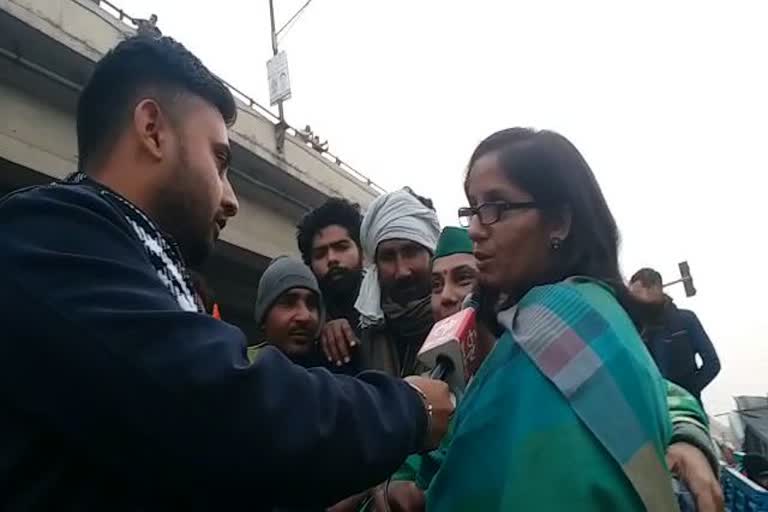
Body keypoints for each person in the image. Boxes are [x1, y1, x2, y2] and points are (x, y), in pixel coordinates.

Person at [0, 35, 455, 510]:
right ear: (152, 129)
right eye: (219, 161)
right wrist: (408, 408)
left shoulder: (102, 251)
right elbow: (219, 409)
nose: (231, 199)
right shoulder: (50, 237)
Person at [423, 128, 679, 511]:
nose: (475, 229)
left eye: (496, 207)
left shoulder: (552, 329)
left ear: (558, 221)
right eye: (473, 208)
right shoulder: (594, 317)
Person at [381, 226, 724, 512]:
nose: (447, 297)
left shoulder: (545, 348)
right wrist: (392, 488)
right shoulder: (428, 384)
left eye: (463, 278)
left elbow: (659, 394)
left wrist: (686, 442)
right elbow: (402, 470)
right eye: (436, 286)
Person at [353, 187, 441, 377]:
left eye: (411, 252)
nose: (402, 271)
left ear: (432, 253)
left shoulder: (465, 319)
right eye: (388, 257)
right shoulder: (359, 331)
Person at [630, 268, 721, 403]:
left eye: (637, 293)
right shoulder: (636, 329)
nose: (633, 300)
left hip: (686, 410)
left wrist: (687, 393)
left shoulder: (685, 320)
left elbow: (712, 364)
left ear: (655, 288)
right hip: (654, 410)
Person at [297, 198, 364, 370]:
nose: (332, 259)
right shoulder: (303, 321)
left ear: (362, 250)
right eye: (320, 254)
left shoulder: (387, 308)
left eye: (341, 247)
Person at [247, 256, 328, 368]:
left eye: (311, 304)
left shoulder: (335, 374)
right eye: (288, 303)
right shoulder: (239, 369)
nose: (305, 316)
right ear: (264, 317)